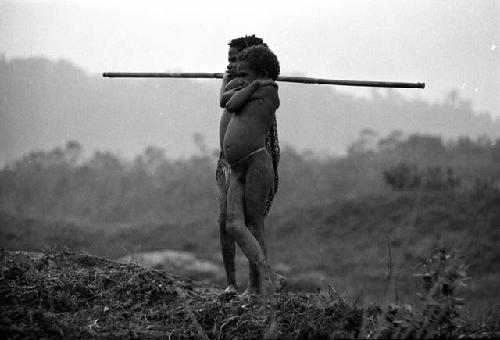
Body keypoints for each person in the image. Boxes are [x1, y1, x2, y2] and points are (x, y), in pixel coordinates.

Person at [219, 44, 286, 297]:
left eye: (245, 74)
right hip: (238, 168)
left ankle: (258, 287)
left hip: (256, 164)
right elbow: (224, 99)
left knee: (254, 225)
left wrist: (250, 86)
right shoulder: (252, 88)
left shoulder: (269, 92)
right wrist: (237, 81)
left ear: (261, 73)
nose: (240, 79)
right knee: (234, 225)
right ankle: (272, 276)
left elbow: (233, 104)